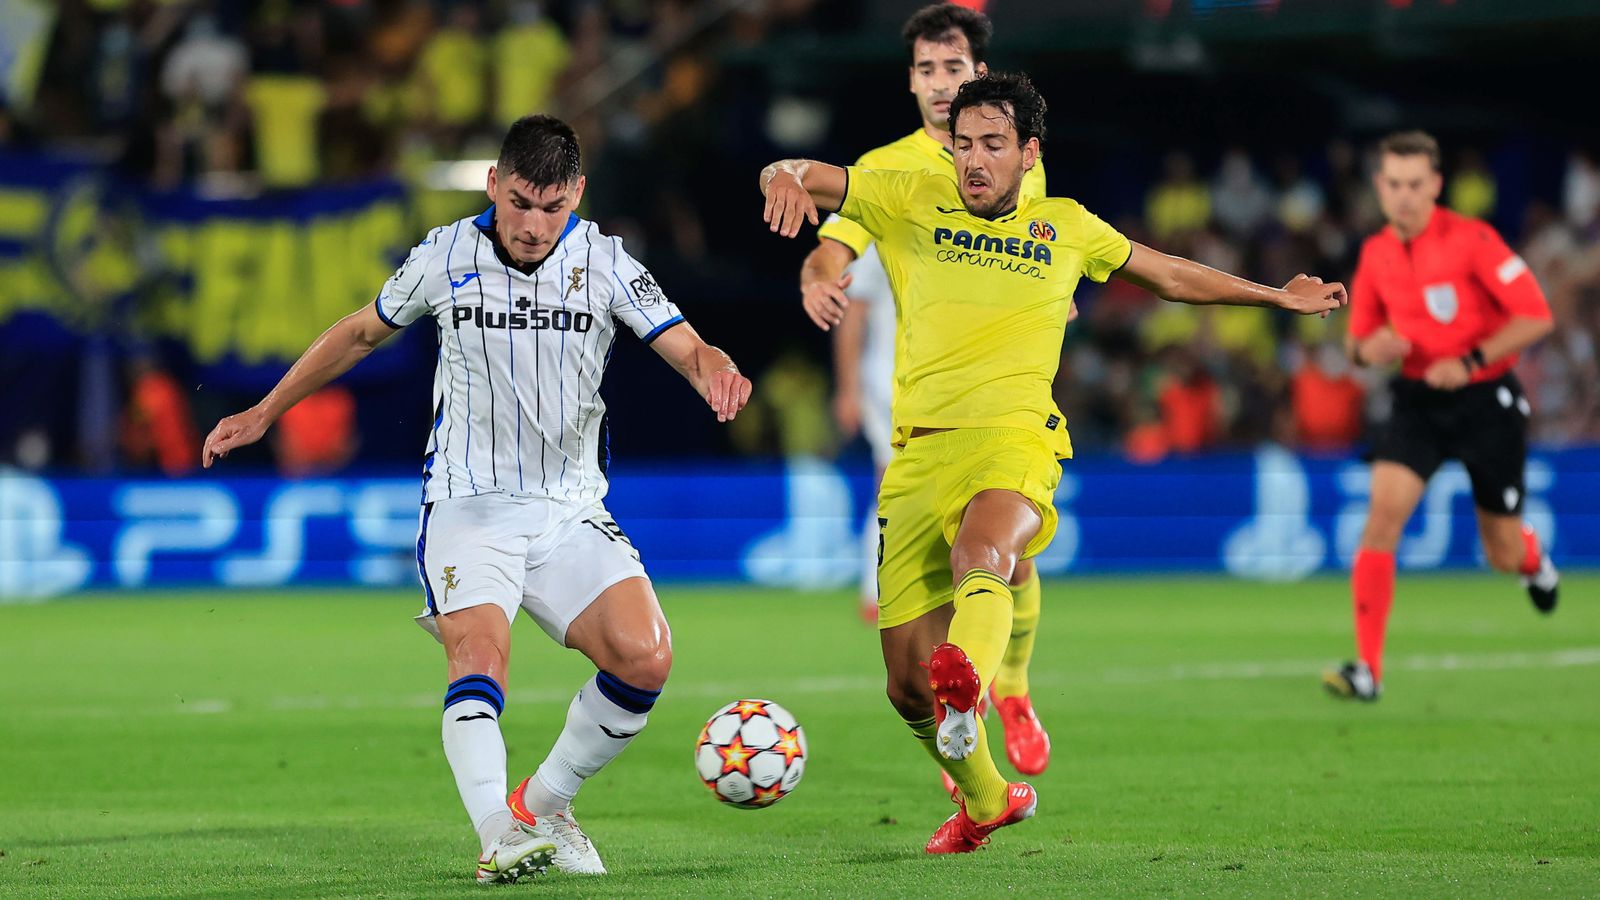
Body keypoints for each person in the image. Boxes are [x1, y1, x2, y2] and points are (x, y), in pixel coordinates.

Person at [759, 72, 1346, 853]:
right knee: (904, 687)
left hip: (1014, 437)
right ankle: (987, 798)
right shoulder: (907, 196)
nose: (973, 160)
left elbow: (1170, 275)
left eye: (992, 145)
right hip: (916, 455)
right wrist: (781, 177)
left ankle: (970, 682)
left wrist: (1277, 298)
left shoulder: (1066, 227)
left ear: (1029, 153)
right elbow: (803, 174)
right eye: (963, 144)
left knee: (986, 554)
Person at [202, 115, 752, 883]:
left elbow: (689, 345)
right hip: (468, 504)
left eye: (552, 207)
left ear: (578, 196)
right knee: (481, 658)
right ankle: (496, 831)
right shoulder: (445, 253)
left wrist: (716, 371)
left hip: (569, 510)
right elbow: (361, 333)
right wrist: (265, 409)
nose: (532, 224)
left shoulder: (606, 262)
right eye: (520, 202)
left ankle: (543, 805)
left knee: (646, 659)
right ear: (494, 184)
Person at [799, 1, 1053, 782]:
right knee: (959, 558)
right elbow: (835, 251)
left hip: (1004, 390)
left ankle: (1005, 687)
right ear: (910, 81)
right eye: (926, 69)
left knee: (994, 547)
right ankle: (966, 717)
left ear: (981, 74)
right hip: (914, 393)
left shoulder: (1016, 157)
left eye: (954, 68)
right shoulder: (887, 167)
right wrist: (816, 278)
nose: (941, 84)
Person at [1323, 130, 1558, 703]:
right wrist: (1368, 350)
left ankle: (1532, 559)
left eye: (1415, 185)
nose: (1404, 196)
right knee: (1380, 521)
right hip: (1418, 402)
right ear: (1379, 187)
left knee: (1500, 553)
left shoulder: (1473, 240)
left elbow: (1536, 316)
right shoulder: (1377, 253)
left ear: (1435, 186)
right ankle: (1368, 670)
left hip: (1484, 401)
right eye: (1394, 184)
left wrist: (1472, 359)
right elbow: (1356, 344)